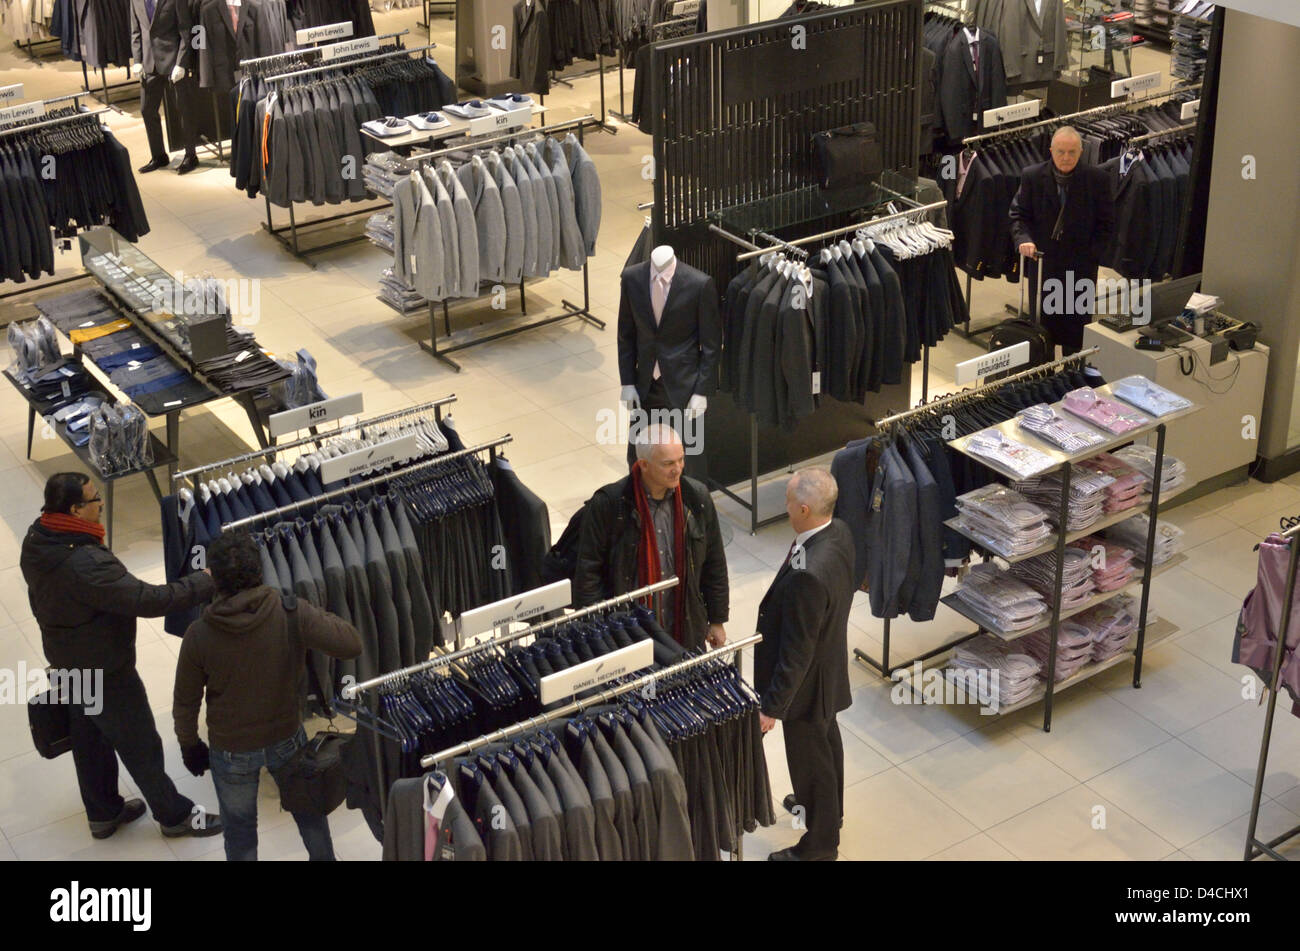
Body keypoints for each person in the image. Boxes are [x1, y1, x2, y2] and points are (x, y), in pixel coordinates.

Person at [20, 472, 222, 841]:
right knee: (140, 743)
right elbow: (151, 599)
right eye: (96, 499)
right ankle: (174, 815)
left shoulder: (38, 536)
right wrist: (207, 579)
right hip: (106, 669)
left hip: (66, 660)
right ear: (76, 509)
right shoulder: (86, 564)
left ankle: (103, 814)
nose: (102, 503)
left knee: (90, 739)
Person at [173, 531, 363, 861]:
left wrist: (189, 743)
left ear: (214, 580)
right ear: (259, 571)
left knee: (240, 830)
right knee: (310, 814)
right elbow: (351, 643)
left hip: (231, 748)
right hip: (286, 736)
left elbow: (185, 700)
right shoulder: (291, 612)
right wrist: (311, 614)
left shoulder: (199, 635)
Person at [754, 468, 855, 861]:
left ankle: (819, 846)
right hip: (829, 667)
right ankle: (831, 812)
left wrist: (772, 707)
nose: (786, 507)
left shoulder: (808, 577)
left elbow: (797, 650)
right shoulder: (839, 532)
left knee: (811, 761)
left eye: (789, 502)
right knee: (828, 744)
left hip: (807, 684)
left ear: (805, 508)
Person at [574, 423, 729, 651]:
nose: (678, 469)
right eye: (668, 464)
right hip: (628, 631)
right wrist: (597, 631)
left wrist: (716, 619)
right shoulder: (610, 504)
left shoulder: (696, 498)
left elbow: (714, 561)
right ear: (644, 465)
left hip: (684, 625)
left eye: (681, 460)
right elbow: (588, 573)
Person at [1009, 125, 1116, 355]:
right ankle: (1042, 379)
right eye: (1061, 152)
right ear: (1051, 150)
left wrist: (1093, 253)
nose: (1066, 157)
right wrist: (1024, 240)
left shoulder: (1097, 179)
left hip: (1081, 268)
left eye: (1072, 152)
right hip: (1044, 266)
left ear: (1080, 152)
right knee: (1042, 329)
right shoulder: (1033, 177)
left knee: (1075, 333)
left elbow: (1107, 223)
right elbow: (1018, 216)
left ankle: (1071, 378)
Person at [129, 0, 199, 174]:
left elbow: (185, 30)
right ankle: (159, 155)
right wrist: (137, 61)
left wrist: (181, 63)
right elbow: (136, 32)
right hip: (149, 63)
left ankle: (191, 155)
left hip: (173, 60)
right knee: (147, 109)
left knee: (184, 109)